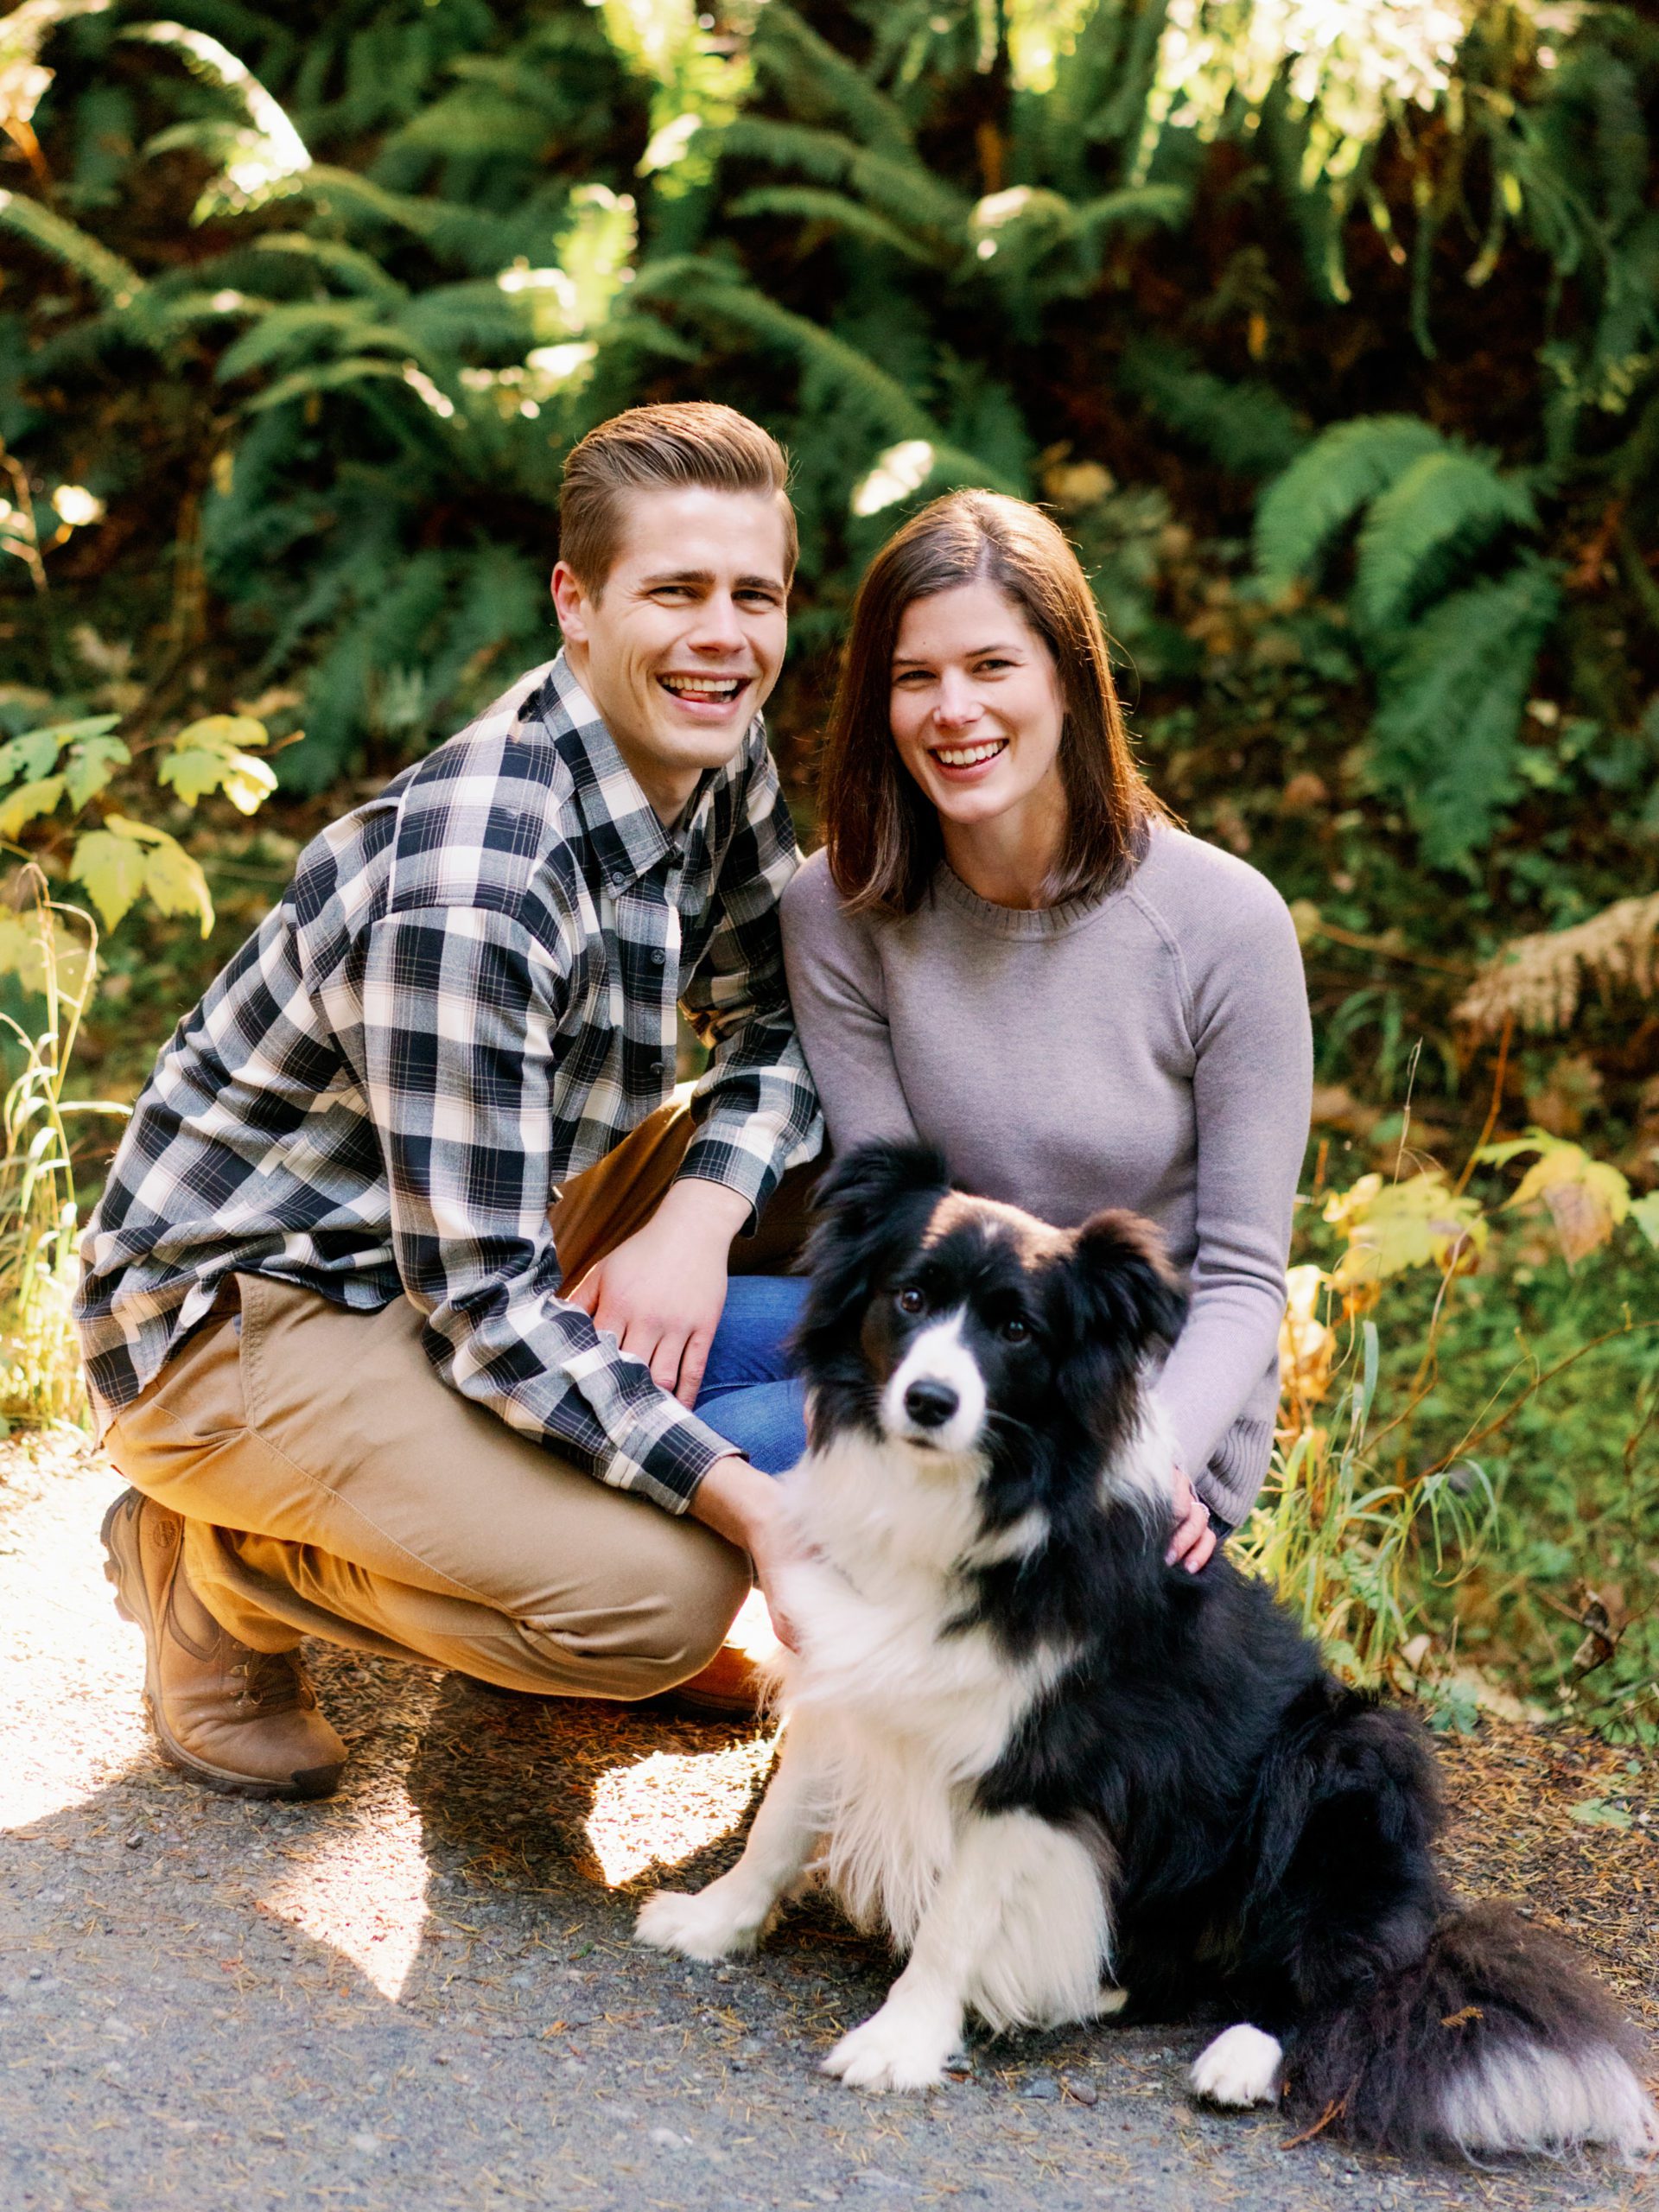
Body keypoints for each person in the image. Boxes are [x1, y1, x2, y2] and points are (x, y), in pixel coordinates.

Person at [75, 402, 823, 1802]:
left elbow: (790, 1019)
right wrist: (750, 1509)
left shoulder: (714, 745)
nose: (723, 637)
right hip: (255, 1312)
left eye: (754, 596)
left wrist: (698, 1218)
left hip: (478, 1221)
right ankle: (216, 1561)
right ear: (576, 602)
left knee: (842, 1182)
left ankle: (517, 1537)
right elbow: (486, 1304)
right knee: (655, 1608)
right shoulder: (477, 886)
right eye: (675, 592)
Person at [780, 492, 1313, 1567]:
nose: (954, 710)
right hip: (928, 1355)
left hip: (1122, 1406)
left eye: (992, 666)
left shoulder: (1224, 925)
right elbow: (886, 1231)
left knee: (719, 1461)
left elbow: (1246, 1276)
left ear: (1067, 677)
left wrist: (1151, 1464)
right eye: (915, 677)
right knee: (643, 1377)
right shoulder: (837, 910)